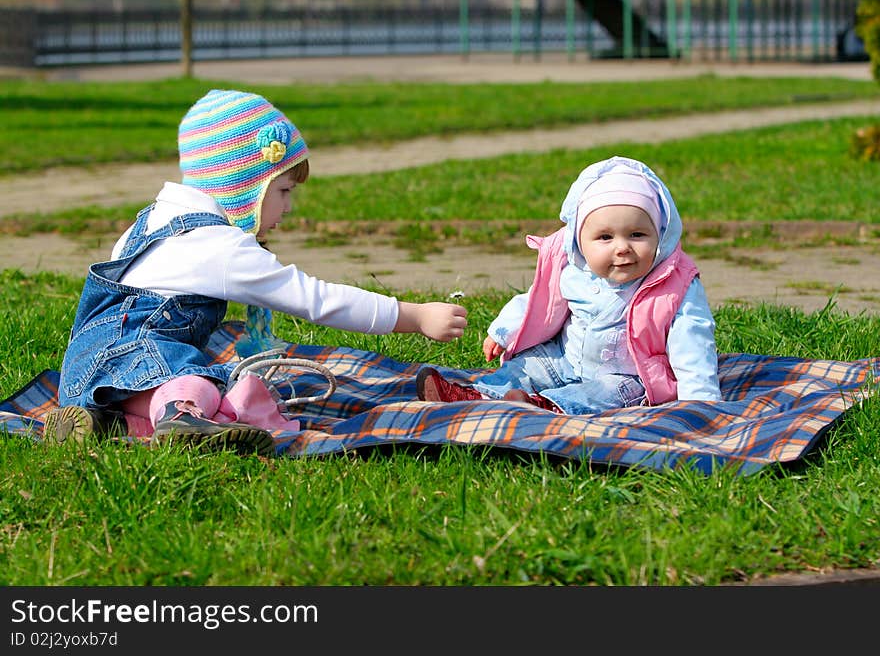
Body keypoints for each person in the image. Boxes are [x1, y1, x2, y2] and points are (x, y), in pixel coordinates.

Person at [44, 88, 468, 455]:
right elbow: (315, 299)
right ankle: (182, 418)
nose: (288, 208)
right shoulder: (219, 247)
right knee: (203, 383)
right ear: (244, 186)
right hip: (148, 364)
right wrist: (414, 316)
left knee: (180, 388)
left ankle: (109, 427)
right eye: (283, 191)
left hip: (88, 377)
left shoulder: (152, 220)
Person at [416, 155, 721, 415]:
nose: (622, 247)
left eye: (637, 235)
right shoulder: (575, 271)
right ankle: (478, 396)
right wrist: (504, 331)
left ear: (660, 235)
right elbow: (539, 301)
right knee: (525, 366)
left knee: (605, 393)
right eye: (605, 237)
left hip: (627, 376)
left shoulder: (673, 286)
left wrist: (701, 403)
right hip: (564, 360)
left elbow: (693, 343)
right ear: (579, 241)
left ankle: (544, 407)